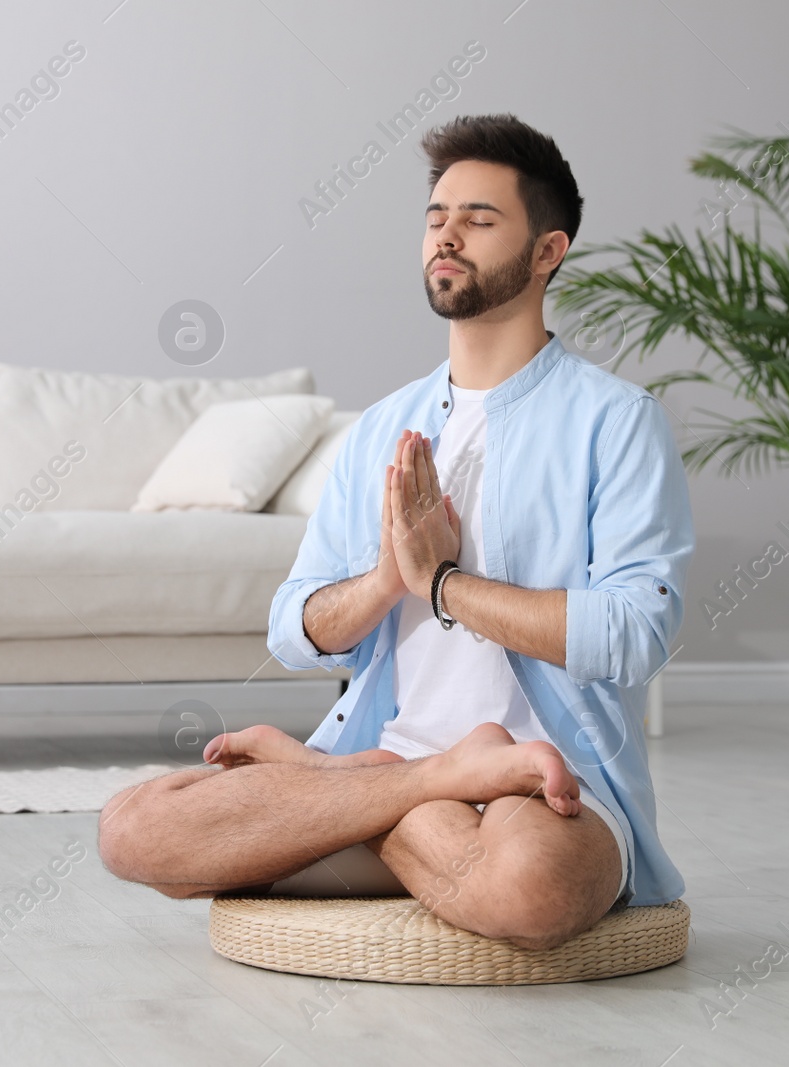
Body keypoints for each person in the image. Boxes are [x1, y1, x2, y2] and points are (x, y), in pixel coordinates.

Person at [99, 113, 694, 951]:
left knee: (533, 889)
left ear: (548, 251)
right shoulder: (383, 429)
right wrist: (388, 576)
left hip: (546, 774)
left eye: (480, 219)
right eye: (436, 216)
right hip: (397, 752)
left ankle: (355, 788)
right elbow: (296, 629)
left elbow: (637, 633)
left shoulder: (618, 422)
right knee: (133, 830)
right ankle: (431, 774)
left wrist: (445, 585)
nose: (447, 234)